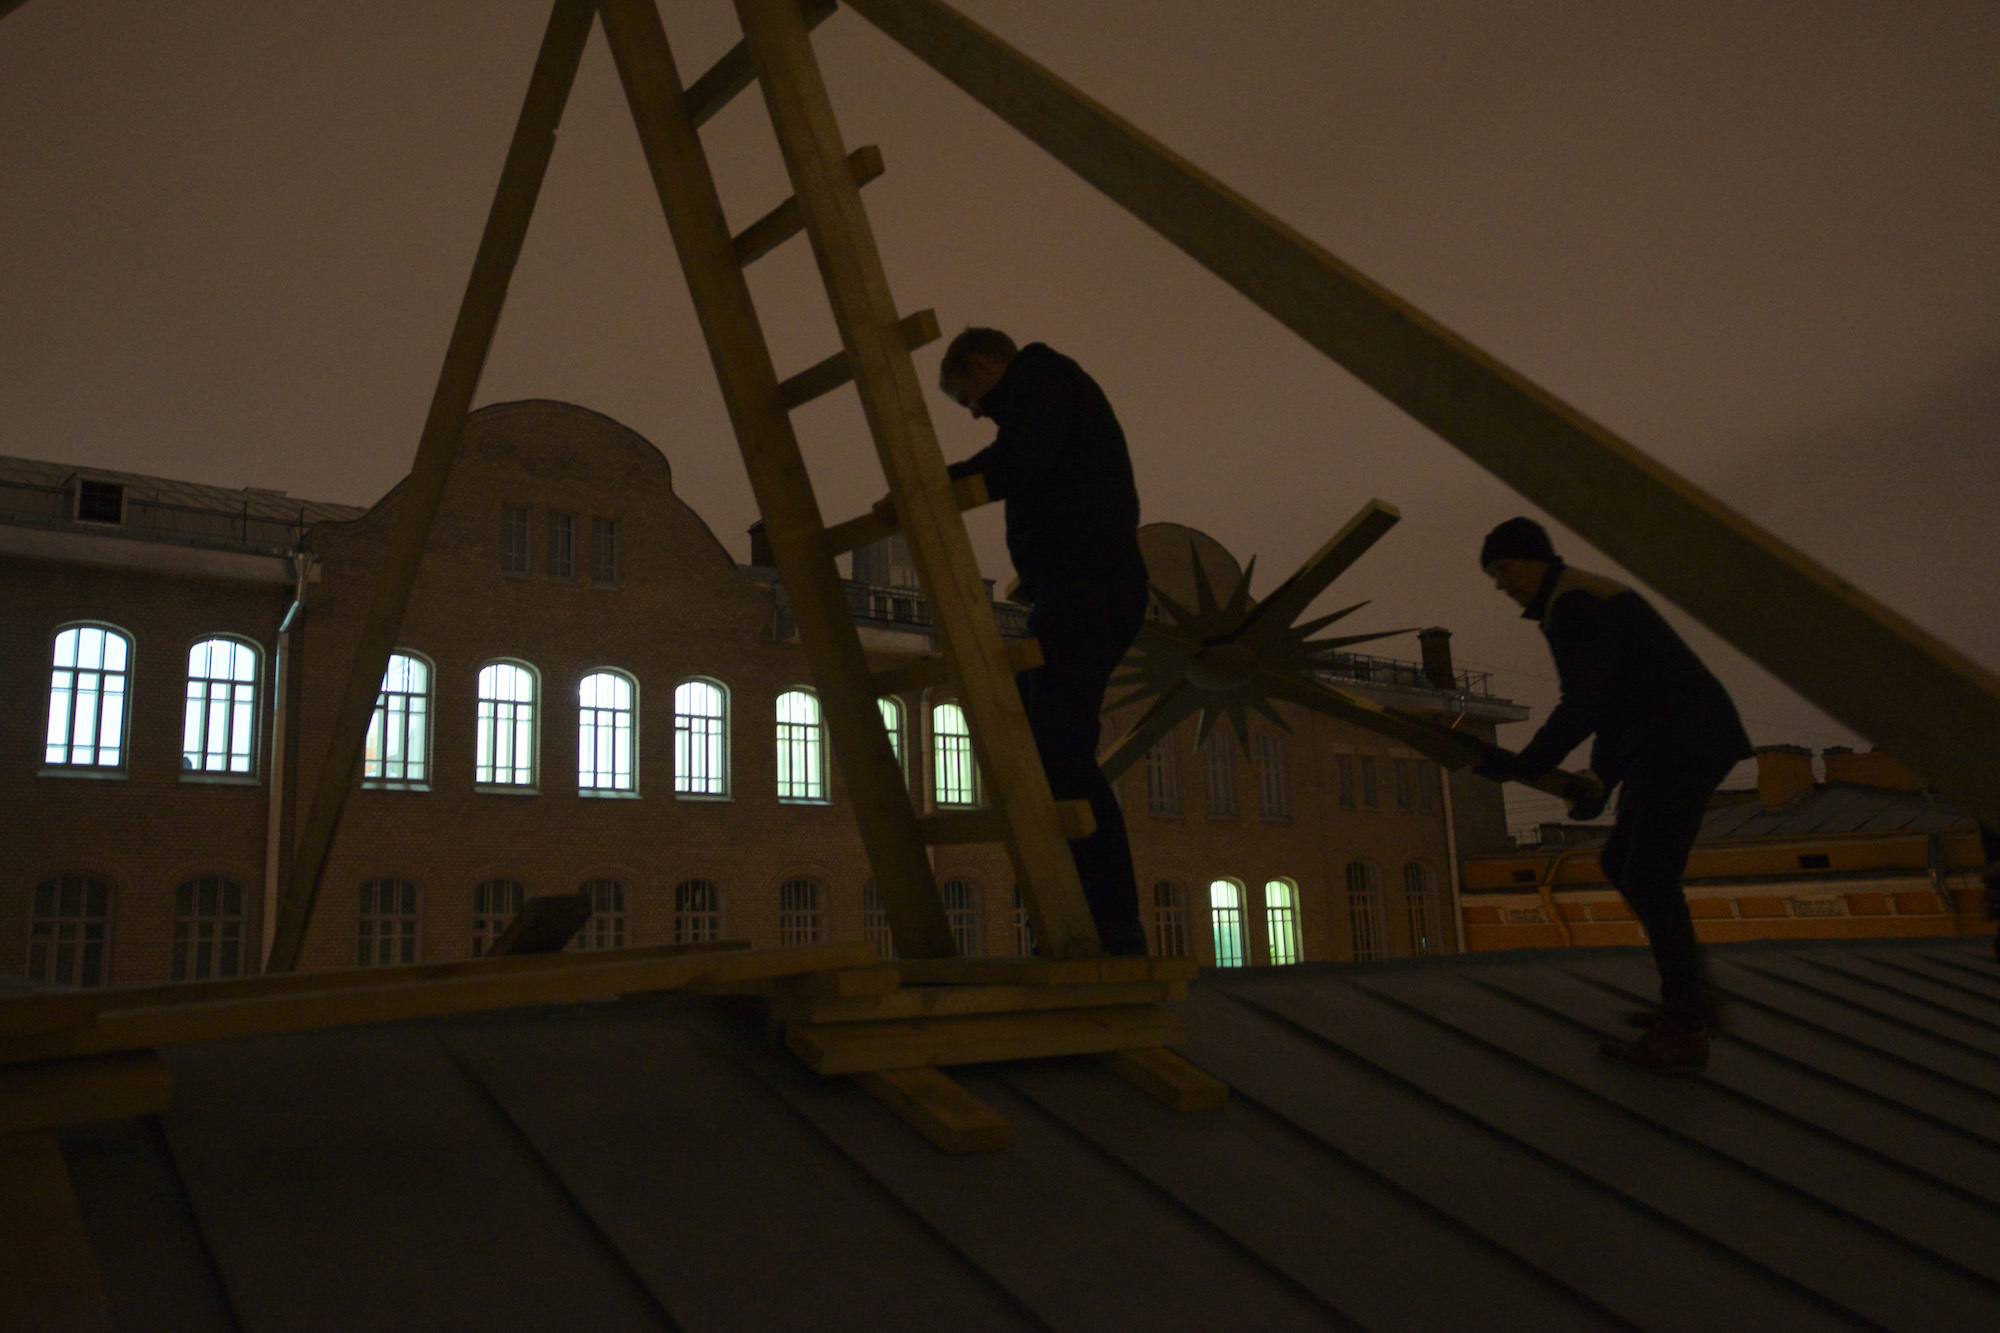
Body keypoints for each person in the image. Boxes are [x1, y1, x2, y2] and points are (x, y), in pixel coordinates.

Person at [875, 328, 1149, 955]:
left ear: (980, 364)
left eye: (966, 394)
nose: (973, 411)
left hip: (1087, 590)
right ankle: (1095, 918)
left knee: (1058, 747)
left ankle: (1109, 923)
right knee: (1042, 741)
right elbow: (1024, 456)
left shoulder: (1043, 384)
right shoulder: (1048, 392)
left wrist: (930, 485)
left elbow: (1020, 458)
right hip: (1078, 592)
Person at [1476, 517, 1752, 1072]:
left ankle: (1685, 1025)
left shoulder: (1576, 604)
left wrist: (1530, 763)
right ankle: (1692, 998)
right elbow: (1616, 700)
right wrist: (1600, 779)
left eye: (1504, 569)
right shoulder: (1576, 600)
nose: (1500, 584)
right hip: (1675, 739)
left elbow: (1589, 702)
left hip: (1679, 741)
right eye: (1493, 575)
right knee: (1622, 862)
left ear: (1536, 559)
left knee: (1647, 872)